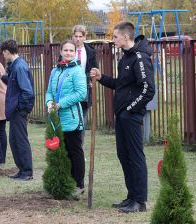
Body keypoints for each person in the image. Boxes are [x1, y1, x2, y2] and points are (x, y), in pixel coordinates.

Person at [90, 21, 155, 213]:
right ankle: (131, 197)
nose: (113, 39)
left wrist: (131, 110)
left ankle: (140, 201)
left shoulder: (140, 58)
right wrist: (102, 78)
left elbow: (148, 89)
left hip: (131, 116)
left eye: (115, 36)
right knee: (123, 155)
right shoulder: (125, 58)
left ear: (126, 37)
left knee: (135, 156)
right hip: (122, 116)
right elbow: (122, 85)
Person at [45, 40, 87, 194]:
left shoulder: (77, 71)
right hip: (56, 119)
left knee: (75, 151)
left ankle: (79, 184)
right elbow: (49, 91)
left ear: (75, 52)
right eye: (66, 50)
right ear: (60, 51)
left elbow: (81, 94)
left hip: (72, 118)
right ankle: (65, 181)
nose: (68, 53)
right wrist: (49, 102)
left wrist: (60, 104)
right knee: (62, 151)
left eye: (71, 50)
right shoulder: (55, 71)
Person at [1, 39, 34, 181]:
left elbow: (27, 91)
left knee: (20, 140)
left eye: (3, 52)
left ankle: (27, 172)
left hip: (19, 110)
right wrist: (3, 77)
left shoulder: (19, 67)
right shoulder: (14, 66)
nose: (3, 55)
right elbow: (14, 83)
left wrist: (20, 107)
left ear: (7, 52)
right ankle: (21, 170)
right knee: (14, 140)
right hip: (15, 109)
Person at [72, 25, 98, 146]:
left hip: (85, 90)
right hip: (70, 90)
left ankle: (79, 149)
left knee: (82, 121)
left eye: (80, 36)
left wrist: (92, 80)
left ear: (84, 37)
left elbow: (95, 69)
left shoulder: (91, 51)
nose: (77, 39)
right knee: (71, 119)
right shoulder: (68, 50)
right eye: (76, 36)